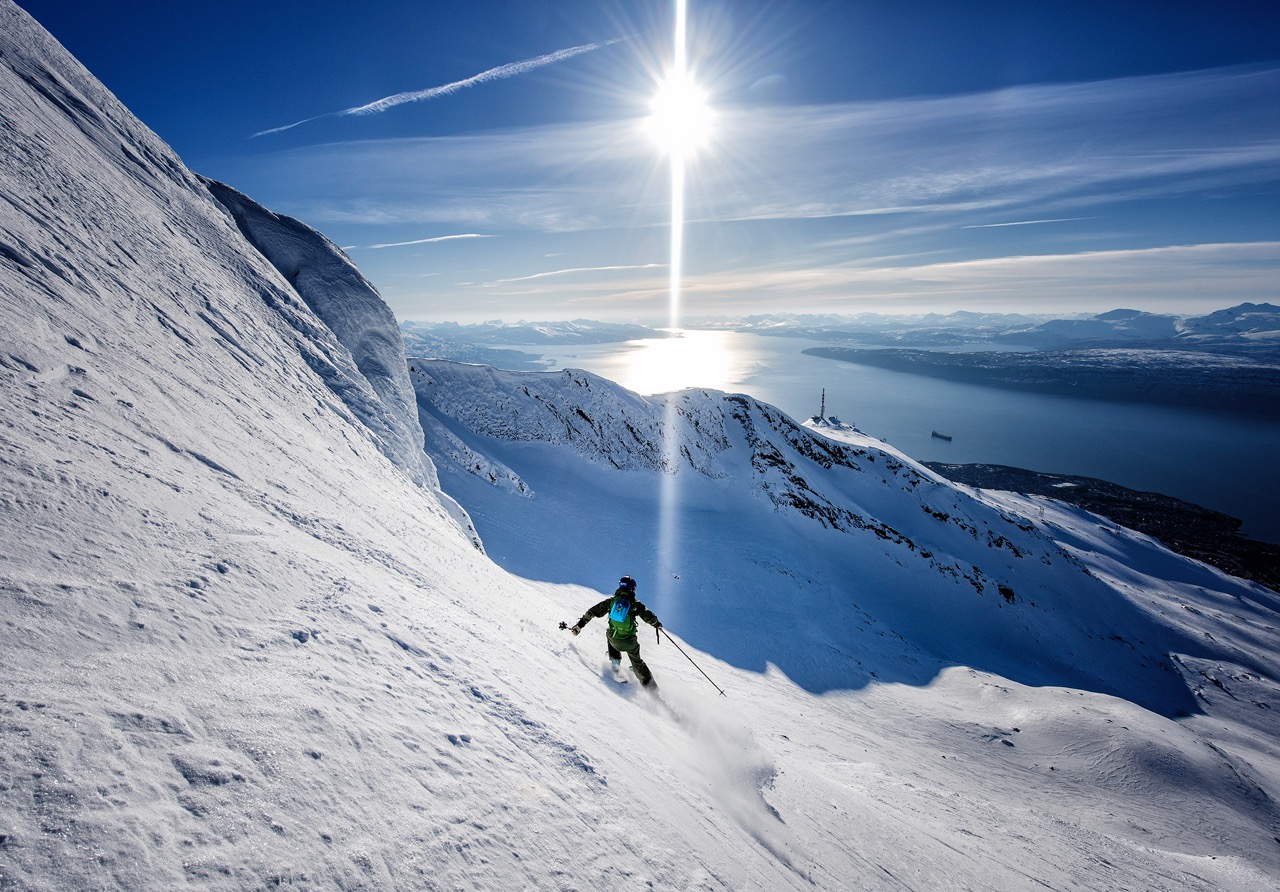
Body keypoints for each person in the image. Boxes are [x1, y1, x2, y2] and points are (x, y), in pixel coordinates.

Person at [570, 576, 662, 687]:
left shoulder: (611, 602)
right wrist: (657, 624)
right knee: (637, 661)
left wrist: (579, 625)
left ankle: (615, 665)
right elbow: (648, 616)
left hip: (614, 640)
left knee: (610, 633)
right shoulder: (635, 604)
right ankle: (651, 689)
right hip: (629, 643)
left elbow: (592, 612)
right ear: (632, 589)